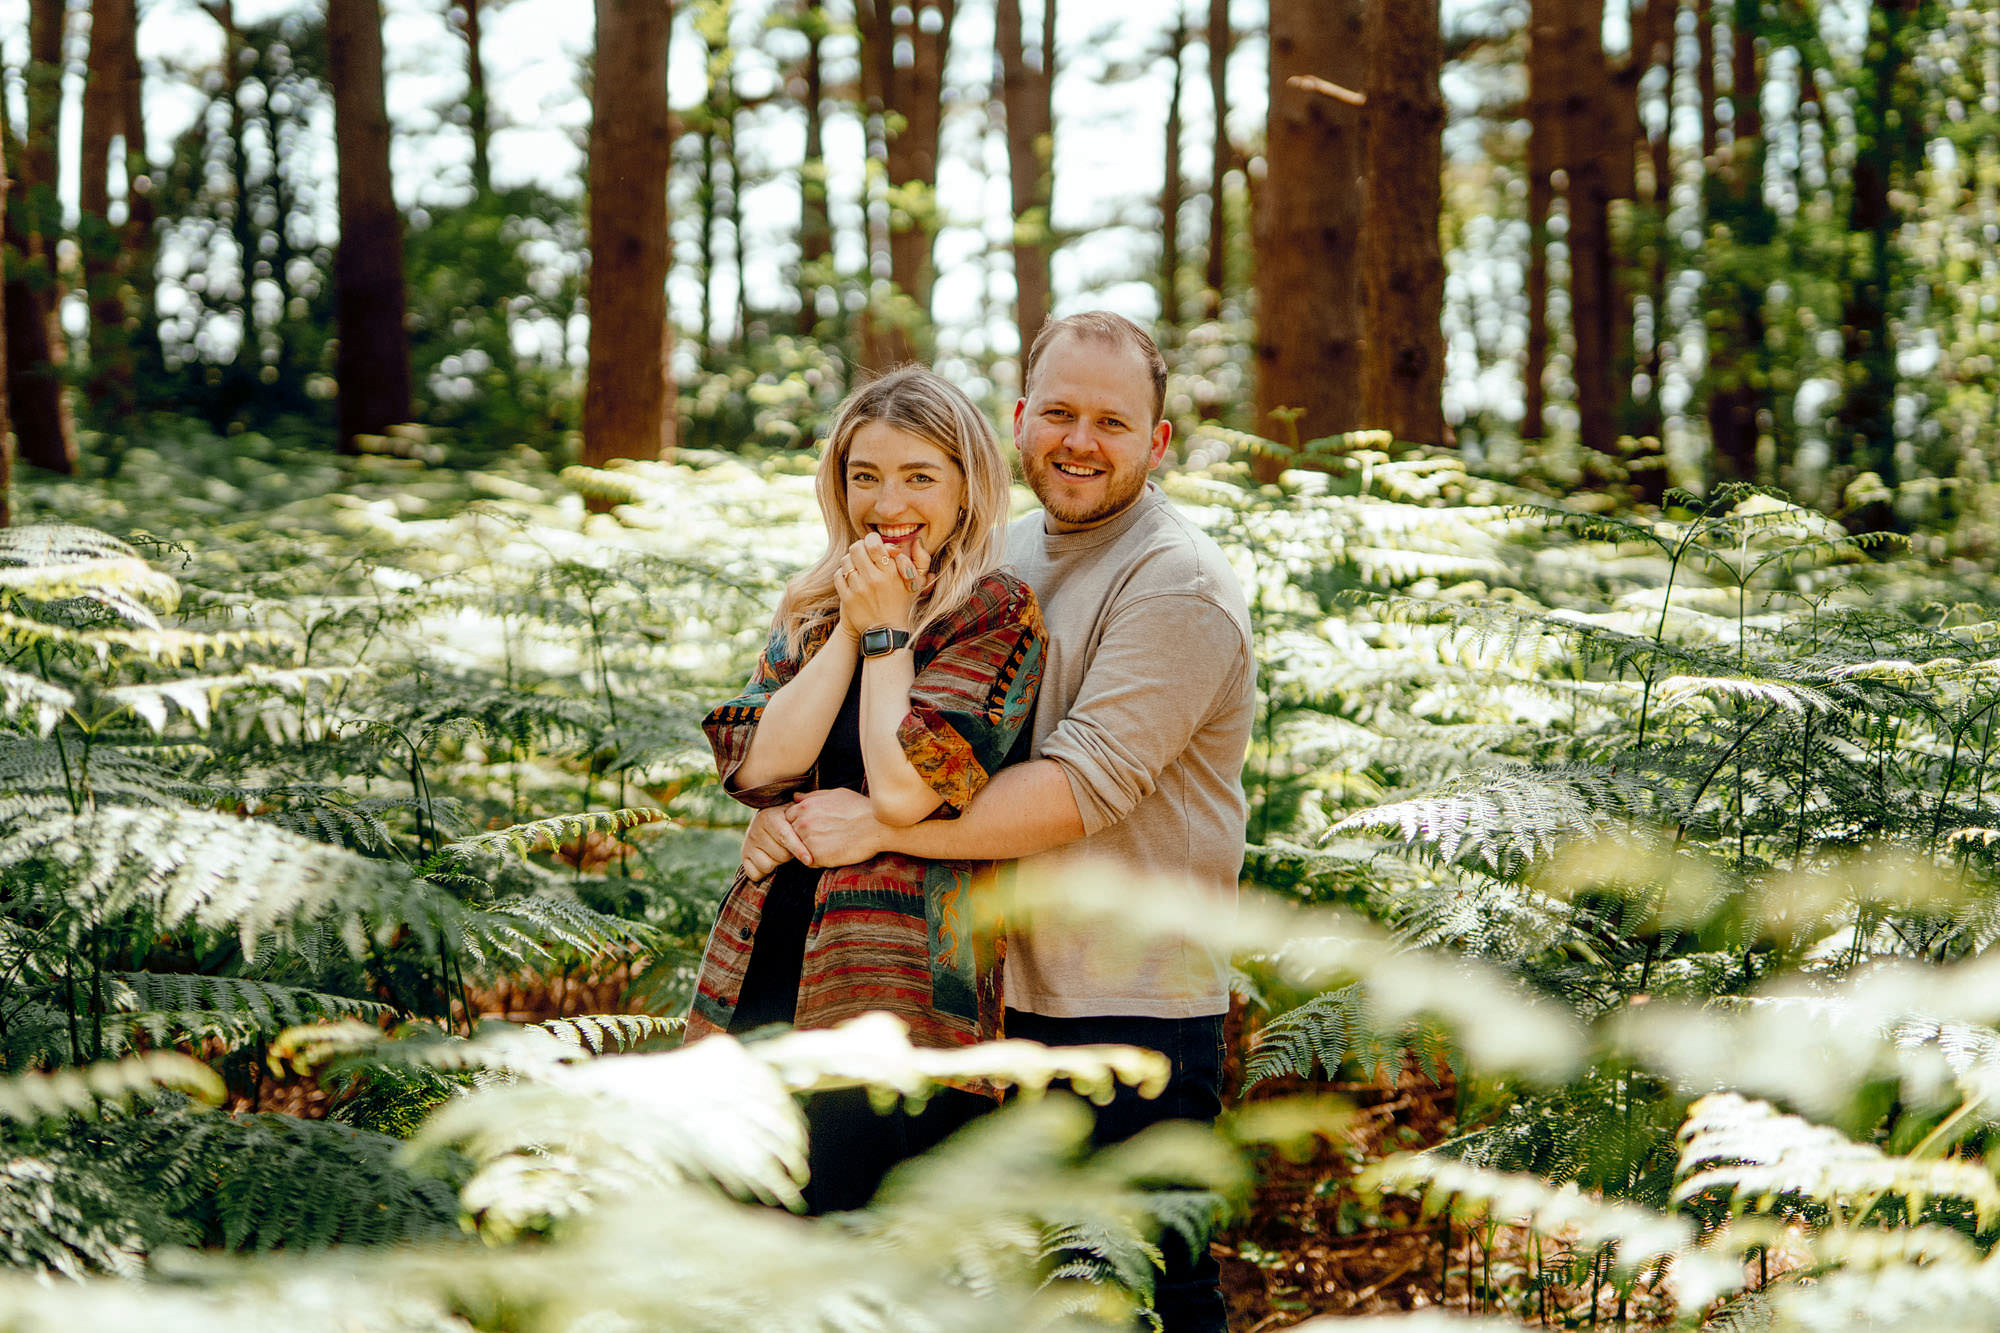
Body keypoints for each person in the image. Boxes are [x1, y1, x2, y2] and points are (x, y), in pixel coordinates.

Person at [759, 312, 1256, 1332]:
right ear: (1019, 420)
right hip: (981, 990)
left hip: (1127, 1003)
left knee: (1142, 1288)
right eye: (1059, 413)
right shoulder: (993, 555)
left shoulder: (1177, 583)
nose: (1080, 440)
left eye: (1112, 422)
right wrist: (782, 822)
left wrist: (875, 830)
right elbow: (885, 727)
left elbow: (1074, 793)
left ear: (1157, 442)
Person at [684, 365, 1047, 1215]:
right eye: (866, 475)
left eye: (920, 476)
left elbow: (905, 787)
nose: (889, 502)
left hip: (901, 984)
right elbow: (761, 762)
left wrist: (889, 634)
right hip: (770, 954)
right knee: (746, 1223)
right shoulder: (816, 605)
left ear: (968, 486)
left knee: (863, 1233)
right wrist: (850, 625)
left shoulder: (994, 612)